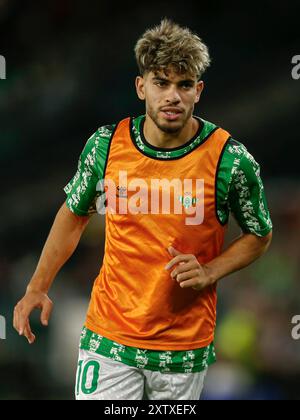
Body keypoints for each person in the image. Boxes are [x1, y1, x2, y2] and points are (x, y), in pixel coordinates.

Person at [13, 19, 273, 400]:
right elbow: (73, 215)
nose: (173, 96)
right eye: (161, 83)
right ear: (141, 87)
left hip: (183, 349)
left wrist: (211, 270)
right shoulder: (106, 146)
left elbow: (259, 234)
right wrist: (38, 286)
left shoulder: (229, 159)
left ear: (198, 91)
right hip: (110, 339)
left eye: (184, 85)